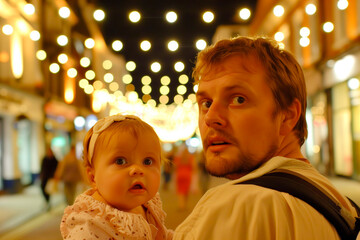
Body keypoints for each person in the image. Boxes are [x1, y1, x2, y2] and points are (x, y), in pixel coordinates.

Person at [173, 36, 359, 239]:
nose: (210, 117)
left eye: (238, 99)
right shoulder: (340, 203)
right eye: (206, 103)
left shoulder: (236, 207)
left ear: (287, 116)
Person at [60, 114, 173, 240]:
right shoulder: (91, 224)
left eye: (147, 162)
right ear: (93, 177)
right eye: (120, 161)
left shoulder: (147, 207)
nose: (137, 170)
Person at [173, 142, 196, 210]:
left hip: (179, 175)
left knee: (180, 190)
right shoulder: (190, 157)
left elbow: (175, 166)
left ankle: (181, 205)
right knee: (186, 190)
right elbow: (194, 167)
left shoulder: (178, 158)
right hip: (188, 175)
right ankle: (185, 204)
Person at [39, 145, 58, 210]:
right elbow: (42, 168)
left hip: (51, 177)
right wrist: (41, 175)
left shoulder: (54, 159)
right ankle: (47, 201)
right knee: (42, 188)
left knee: (49, 190)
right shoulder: (45, 159)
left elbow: (57, 168)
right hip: (44, 177)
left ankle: (48, 202)